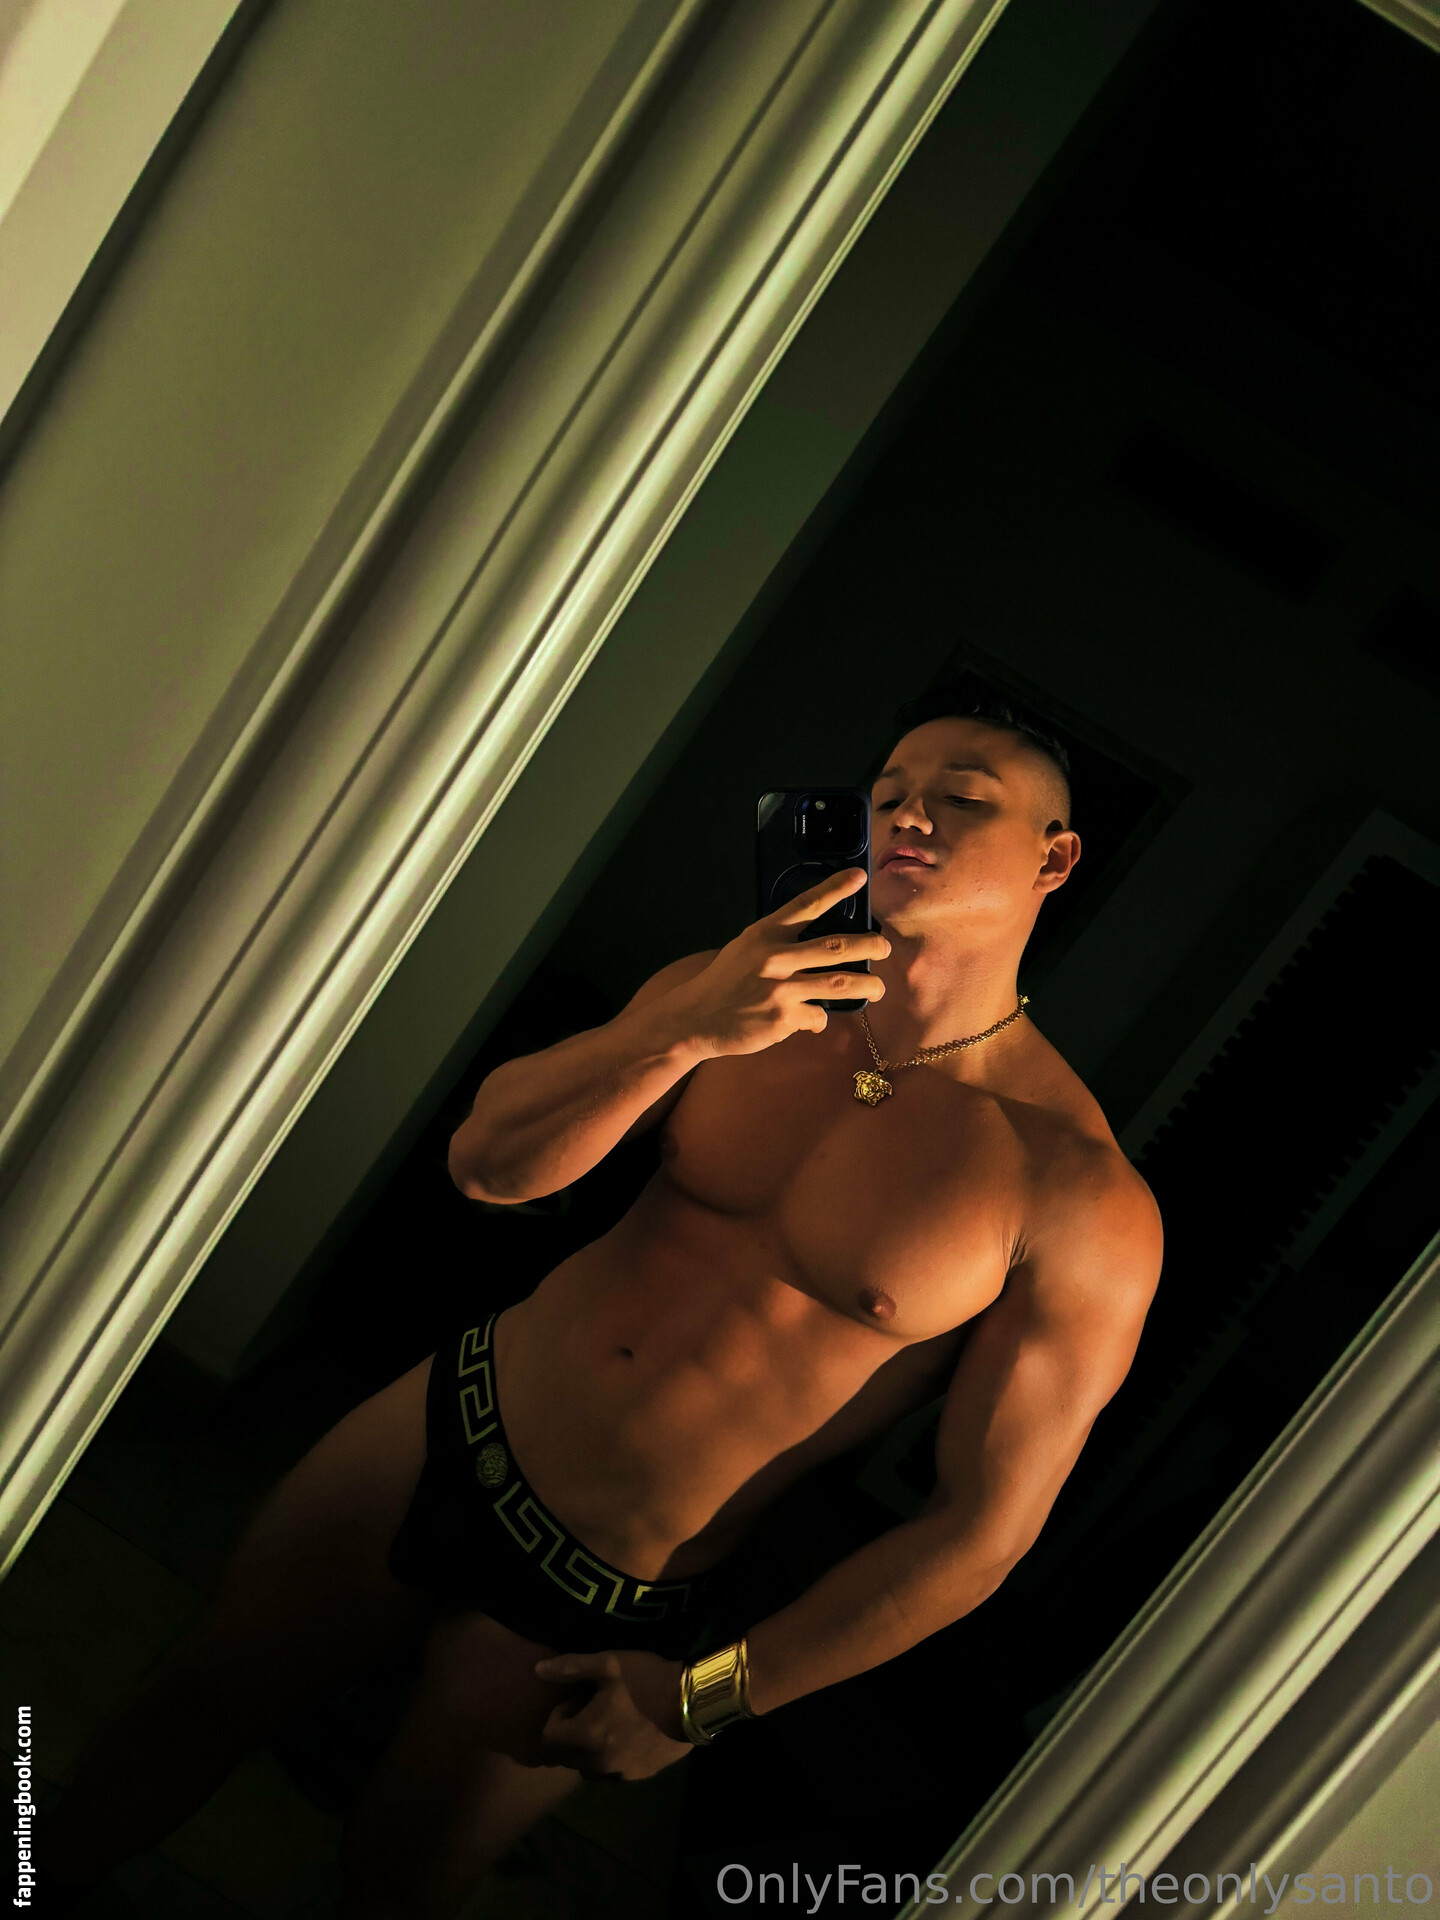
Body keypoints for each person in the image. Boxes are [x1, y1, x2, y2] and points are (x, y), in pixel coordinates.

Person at [45, 683, 1161, 1919]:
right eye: (888, 791)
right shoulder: (732, 991)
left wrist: (698, 1703)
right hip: (450, 1427)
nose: (907, 816)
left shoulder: (1078, 1192)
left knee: (391, 1887)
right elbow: (488, 1169)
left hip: (607, 1590)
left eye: (961, 799)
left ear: (1055, 858)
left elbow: (979, 1534)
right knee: (190, 1702)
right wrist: (683, 1030)